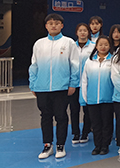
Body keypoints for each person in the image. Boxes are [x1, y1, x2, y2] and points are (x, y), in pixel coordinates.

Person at [30, 13, 78, 160]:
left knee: (61, 116)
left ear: (62, 25)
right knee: (45, 116)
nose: (53, 26)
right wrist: (33, 84)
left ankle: (60, 145)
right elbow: (34, 65)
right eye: (50, 23)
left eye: (56, 23)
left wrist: (73, 84)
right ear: (46, 26)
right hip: (42, 87)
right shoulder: (39, 43)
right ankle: (47, 145)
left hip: (61, 87)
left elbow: (75, 65)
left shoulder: (69, 42)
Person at [81, 36, 114, 155]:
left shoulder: (113, 60)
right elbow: (84, 80)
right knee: (96, 124)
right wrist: (85, 97)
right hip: (92, 99)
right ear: (96, 46)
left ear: (109, 46)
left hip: (108, 99)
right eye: (100, 44)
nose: (103, 47)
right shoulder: (89, 61)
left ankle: (105, 145)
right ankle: (97, 145)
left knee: (107, 123)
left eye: (106, 44)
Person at [70, 23, 93, 145]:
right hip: (74, 84)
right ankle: (75, 133)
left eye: (85, 30)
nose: (82, 32)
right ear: (76, 32)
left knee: (87, 110)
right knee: (74, 110)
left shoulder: (93, 46)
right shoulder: (71, 46)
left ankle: (85, 132)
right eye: (80, 30)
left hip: (87, 84)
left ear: (88, 32)